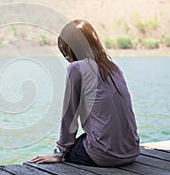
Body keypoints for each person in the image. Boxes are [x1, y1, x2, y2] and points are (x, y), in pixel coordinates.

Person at [30, 19, 140, 167]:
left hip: (105, 155)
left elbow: (69, 116)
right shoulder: (113, 67)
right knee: (85, 139)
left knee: (71, 150)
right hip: (131, 151)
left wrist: (60, 153)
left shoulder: (76, 68)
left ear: (71, 48)